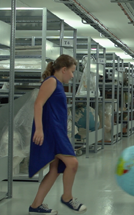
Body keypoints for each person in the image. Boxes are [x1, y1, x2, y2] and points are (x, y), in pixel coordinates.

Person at [28, 54, 87, 214]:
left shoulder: (58, 84)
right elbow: (38, 104)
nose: (73, 75)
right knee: (72, 163)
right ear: (63, 69)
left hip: (58, 130)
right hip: (52, 131)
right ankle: (67, 198)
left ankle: (35, 206)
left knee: (54, 170)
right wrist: (39, 129)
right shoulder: (52, 82)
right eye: (72, 71)